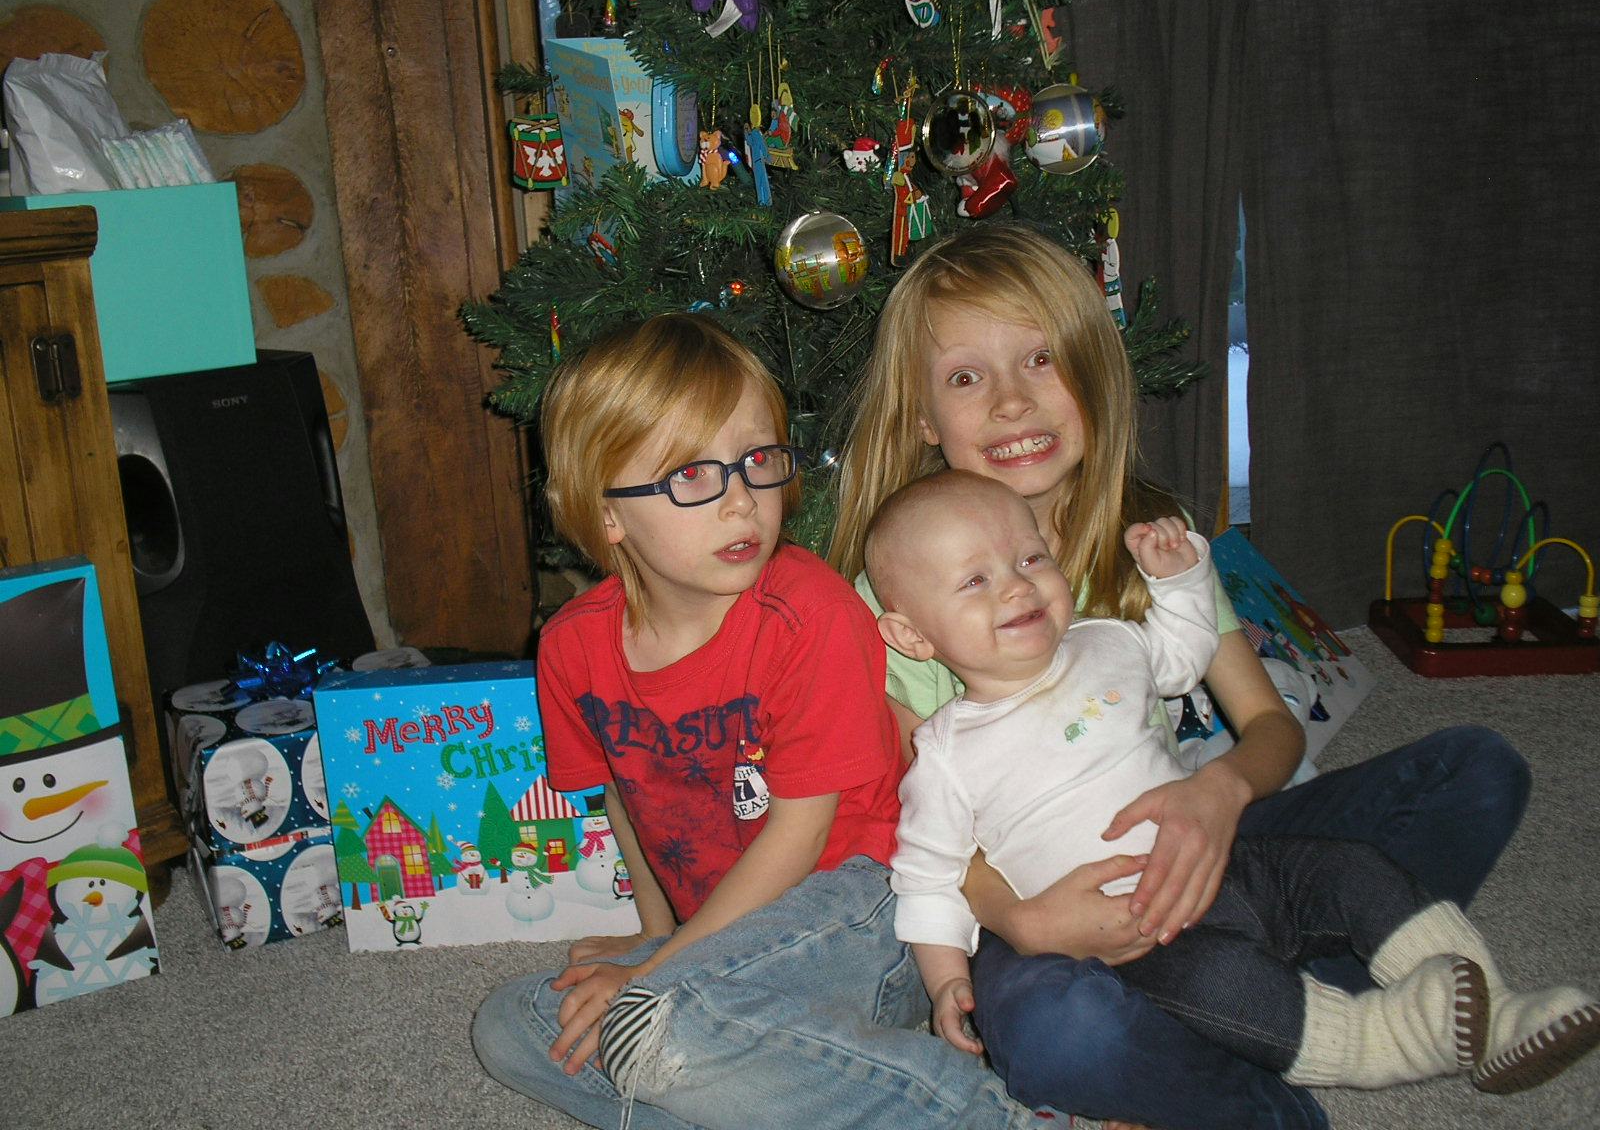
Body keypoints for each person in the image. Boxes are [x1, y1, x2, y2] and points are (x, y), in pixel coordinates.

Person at [828, 220, 1532, 1130]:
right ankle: (1264, 1079)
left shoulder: (1156, 542)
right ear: (924, 417)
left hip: (1207, 854)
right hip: (1050, 911)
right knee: (1056, 1031)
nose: (1011, 402)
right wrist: (1024, 923)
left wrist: (1217, 796)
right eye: (967, 377)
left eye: (1040, 359)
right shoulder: (896, 602)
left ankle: (1258, 1013)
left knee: (1478, 768)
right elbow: (915, 827)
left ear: (1093, 370)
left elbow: (1269, 727)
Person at [472, 313, 1039, 1130]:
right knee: (510, 1029)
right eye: (692, 475)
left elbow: (801, 836)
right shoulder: (571, 646)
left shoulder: (812, 615)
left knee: (657, 1024)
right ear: (607, 515)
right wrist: (653, 935)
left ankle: (991, 1120)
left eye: (757, 460)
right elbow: (622, 795)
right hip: (726, 932)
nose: (741, 500)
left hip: (868, 907)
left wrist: (654, 973)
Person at [868, 470, 1598, 1094]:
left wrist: (1179, 578)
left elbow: (1184, 657)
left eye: (1031, 558)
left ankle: (1492, 1007)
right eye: (975, 581)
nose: (1017, 586)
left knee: (1354, 871)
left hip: (1233, 858)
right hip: (1143, 933)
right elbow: (929, 876)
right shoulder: (946, 755)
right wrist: (945, 980)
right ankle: (1379, 1040)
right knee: (1221, 984)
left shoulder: (1105, 640)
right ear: (912, 636)